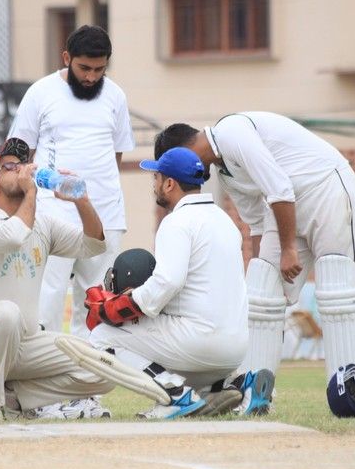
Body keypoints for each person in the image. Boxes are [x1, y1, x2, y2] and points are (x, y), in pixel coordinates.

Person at [155, 113, 355, 397]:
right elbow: (257, 223)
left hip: (326, 187)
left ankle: (350, 393)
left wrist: (288, 249)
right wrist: (258, 277)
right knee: (260, 297)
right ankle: (255, 394)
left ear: (182, 152)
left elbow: (279, 188)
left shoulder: (231, 132)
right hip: (286, 209)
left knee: (337, 289)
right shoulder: (225, 174)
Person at [74, 147, 274, 418]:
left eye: (156, 178)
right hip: (235, 349)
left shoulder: (177, 221)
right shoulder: (225, 220)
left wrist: (122, 305)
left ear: (169, 184)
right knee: (172, 345)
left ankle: (174, 395)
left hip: (199, 341)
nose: (154, 184)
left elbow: (168, 282)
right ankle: (235, 384)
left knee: (102, 336)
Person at [0, 138, 115, 422]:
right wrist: (31, 192)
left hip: (25, 345)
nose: (21, 169)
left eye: (23, 164)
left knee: (103, 367)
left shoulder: (43, 225)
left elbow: (94, 245)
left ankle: (17, 397)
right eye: (10, 167)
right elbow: (14, 236)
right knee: (6, 313)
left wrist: (81, 200)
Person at [7, 25, 135, 337]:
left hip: (105, 214)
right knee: (46, 299)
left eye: (99, 69)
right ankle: (42, 364)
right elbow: (17, 155)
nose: (91, 77)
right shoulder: (41, 92)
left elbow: (116, 153)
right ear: (66, 58)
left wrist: (101, 193)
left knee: (97, 303)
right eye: (84, 68)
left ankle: (88, 369)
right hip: (52, 213)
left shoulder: (116, 95)